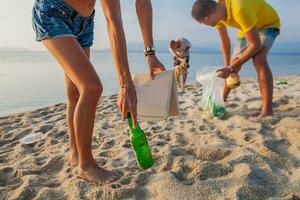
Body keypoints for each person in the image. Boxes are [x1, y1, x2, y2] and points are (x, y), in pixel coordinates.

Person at [32, 0, 165, 184]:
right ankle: (86, 165)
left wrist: (150, 55)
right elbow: (113, 20)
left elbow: (142, 3)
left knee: (75, 93)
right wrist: (125, 85)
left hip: (84, 21)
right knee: (92, 87)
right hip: (54, 12)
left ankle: (76, 154)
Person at [191, 0, 280, 117]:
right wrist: (228, 66)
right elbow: (225, 41)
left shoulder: (239, 9)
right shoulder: (217, 14)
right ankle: (220, 101)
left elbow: (256, 45)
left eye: (203, 23)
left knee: (259, 59)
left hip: (267, 24)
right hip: (247, 27)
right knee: (233, 66)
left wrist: (231, 68)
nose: (204, 25)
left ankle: (267, 111)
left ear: (207, 18)